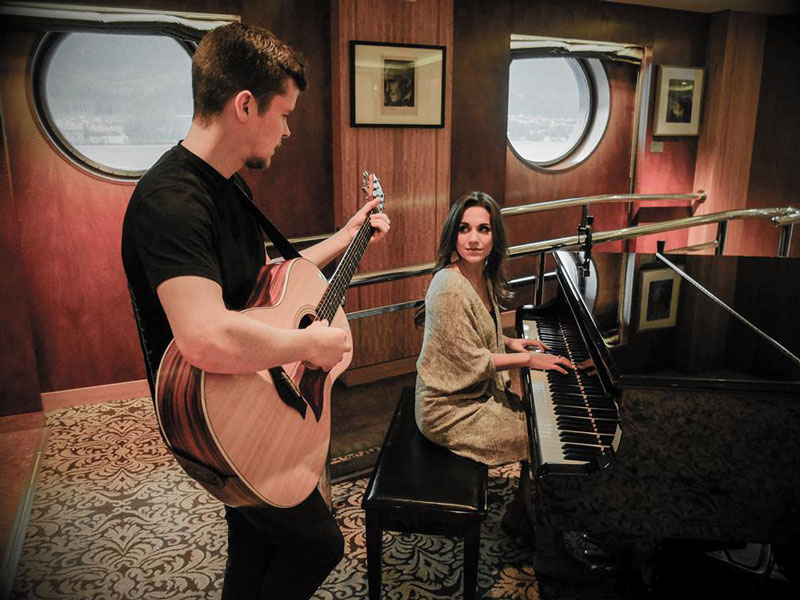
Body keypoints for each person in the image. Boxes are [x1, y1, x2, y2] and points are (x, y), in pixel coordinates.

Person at [121, 22, 389, 600]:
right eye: (284, 114)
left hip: (248, 397)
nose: (288, 131)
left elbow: (271, 292)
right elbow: (205, 338)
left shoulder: (230, 185)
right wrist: (309, 345)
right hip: (213, 415)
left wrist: (345, 238)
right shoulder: (172, 202)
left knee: (255, 540)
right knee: (318, 545)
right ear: (245, 105)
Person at [414, 191, 572, 536]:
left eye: (483, 229)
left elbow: (478, 333)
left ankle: (522, 511)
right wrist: (528, 358)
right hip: (449, 409)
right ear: (453, 235)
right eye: (464, 228)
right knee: (540, 436)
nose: (473, 238)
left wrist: (511, 342)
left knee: (537, 423)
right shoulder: (449, 286)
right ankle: (530, 523)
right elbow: (470, 359)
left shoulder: (480, 274)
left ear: (494, 235)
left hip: (472, 394)